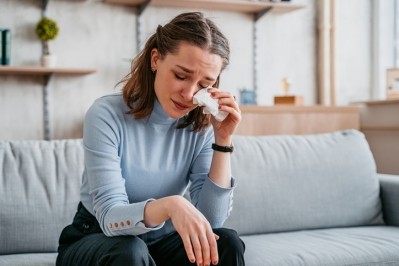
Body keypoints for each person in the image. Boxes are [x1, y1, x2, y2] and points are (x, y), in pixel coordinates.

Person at [56, 11, 245, 266]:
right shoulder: (105, 115)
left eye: (204, 84)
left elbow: (211, 221)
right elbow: (110, 217)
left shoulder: (201, 128)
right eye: (181, 75)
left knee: (227, 243)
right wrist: (172, 205)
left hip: (161, 242)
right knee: (130, 251)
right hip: (98, 238)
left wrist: (222, 140)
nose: (190, 94)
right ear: (155, 59)